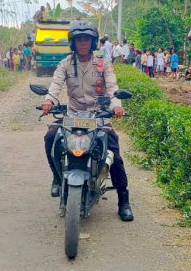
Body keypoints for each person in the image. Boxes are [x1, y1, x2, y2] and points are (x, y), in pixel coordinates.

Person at [41, 20, 134, 222]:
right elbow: (55, 85)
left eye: (87, 39)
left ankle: (123, 200)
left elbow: (112, 87)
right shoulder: (65, 63)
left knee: (114, 153)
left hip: (98, 116)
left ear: (93, 42)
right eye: (79, 39)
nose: (83, 43)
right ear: (73, 43)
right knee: (50, 138)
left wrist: (116, 105)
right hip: (73, 116)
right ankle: (57, 177)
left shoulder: (103, 64)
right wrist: (48, 101)